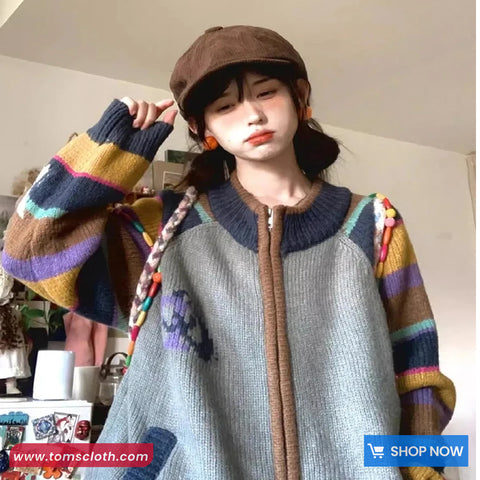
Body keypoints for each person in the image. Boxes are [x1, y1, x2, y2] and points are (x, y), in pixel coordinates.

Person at [2, 25, 455, 480]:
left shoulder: (373, 224)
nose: (252, 114)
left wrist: (421, 471)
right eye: (225, 106)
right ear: (202, 128)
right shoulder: (166, 228)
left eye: (266, 92)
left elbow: (419, 374)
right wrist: (112, 149)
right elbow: (29, 253)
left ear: (300, 96)